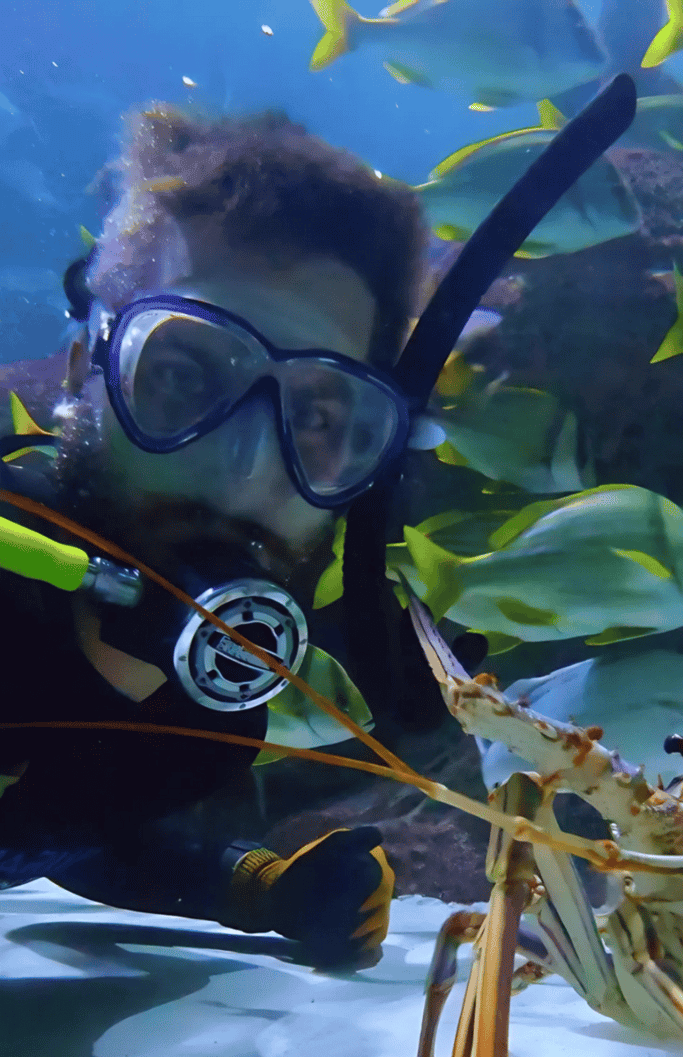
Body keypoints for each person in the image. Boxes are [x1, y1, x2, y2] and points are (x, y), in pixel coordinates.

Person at [0, 105, 431, 968]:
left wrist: (254, 886)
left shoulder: (216, 705)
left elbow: (68, 819)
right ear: (87, 372)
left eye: (315, 414)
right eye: (182, 374)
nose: (242, 468)